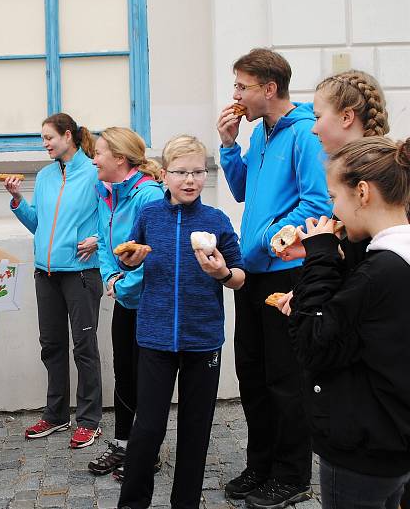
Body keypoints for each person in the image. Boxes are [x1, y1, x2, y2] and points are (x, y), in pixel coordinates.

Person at [216, 48, 330, 507]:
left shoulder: (304, 134)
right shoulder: (260, 133)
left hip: (288, 270)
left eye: (242, 86)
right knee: (253, 375)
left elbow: (317, 206)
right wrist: (229, 146)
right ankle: (260, 464)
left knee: (286, 379)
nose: (235, 94)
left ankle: (292, 474)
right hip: (255, 271)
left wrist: (261, 239)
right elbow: (244, 190)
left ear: (269, 88)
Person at [115, 135, 245, 509]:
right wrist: (129, 261)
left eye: (198, 171)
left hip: (203, 340)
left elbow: (240, 276)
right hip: (155, 338)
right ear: (164, 176)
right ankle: (132, 503)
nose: (190, 180)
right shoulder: (149, 216)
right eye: (181, 172)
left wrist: (222, 272)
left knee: (195, 431)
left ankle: (185, 503)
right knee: (148, 428)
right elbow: (130, 255)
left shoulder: (215, 220)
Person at [287, 136, 410, 508]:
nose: (333, 209)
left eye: (333, 197)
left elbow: (313, 341)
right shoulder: (392, 260)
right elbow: (358, 329)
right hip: (394, 441)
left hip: (364, 448)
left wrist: (320, 256)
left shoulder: (381, 271)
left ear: (362, 192)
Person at [2, 112, 104, 449]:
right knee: (52, 346)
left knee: (84, 348)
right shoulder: (45, 176)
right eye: (43, 138)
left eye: (49, 137)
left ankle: (89, 420)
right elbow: (39, 225)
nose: (44, 144)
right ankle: (57, 414)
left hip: (81, 273)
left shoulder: (95, 172)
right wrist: (18, 200)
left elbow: (114, 215)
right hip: (46, 273)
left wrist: (99, 241)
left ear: (69, 136)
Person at [273, 70, 390, 314]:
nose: (313, 129)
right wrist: (317, 248)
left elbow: (368, 257)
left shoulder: (371, 174)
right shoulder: (352, 169)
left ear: (347, 117)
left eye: (317, 117)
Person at [88, 127, 164, 476]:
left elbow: (154, 253)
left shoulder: (147, 196)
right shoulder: (107, 193)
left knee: (146, 378)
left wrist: (124, 284)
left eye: (99, 152)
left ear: (119, 158)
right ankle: (122, 446)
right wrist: (111, 278)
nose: (94, 158)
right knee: (124, 374)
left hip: (149, 301)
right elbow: (105, 243)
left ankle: (147, 452)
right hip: (124, 297)